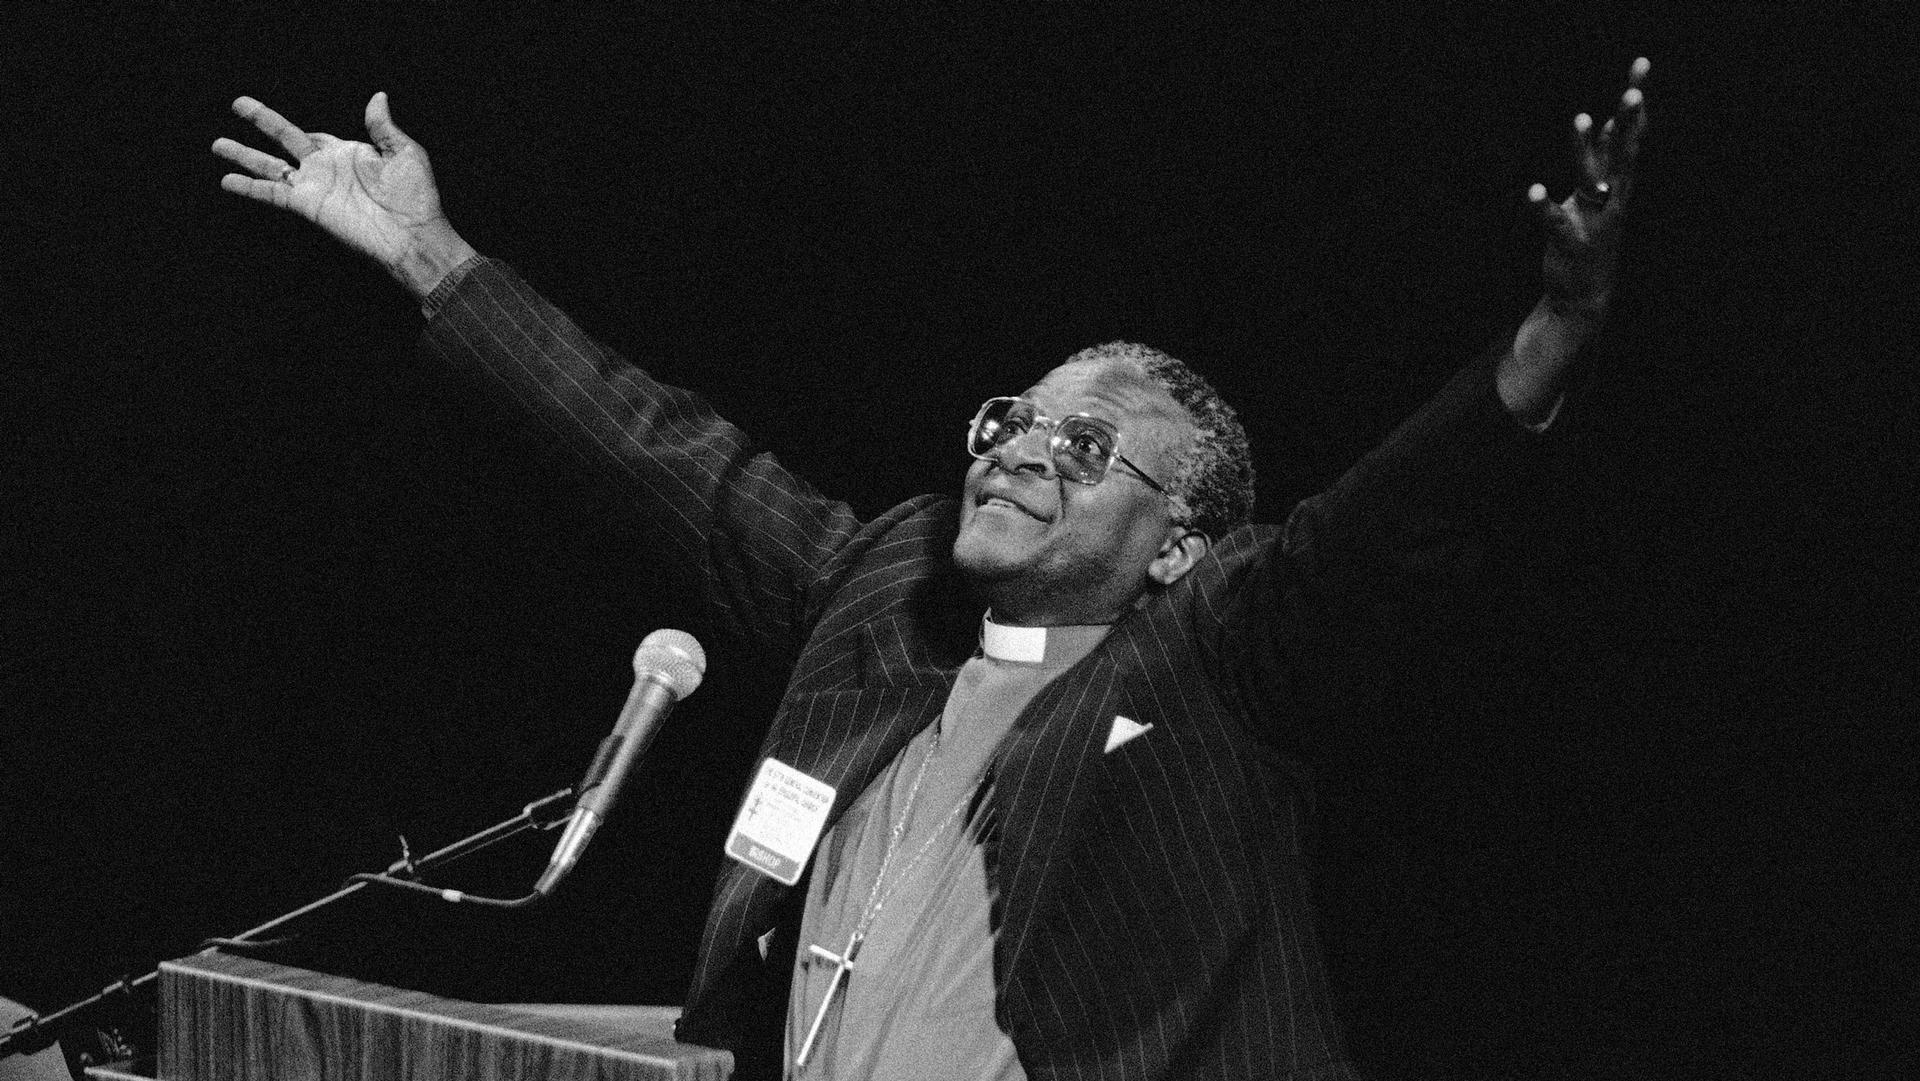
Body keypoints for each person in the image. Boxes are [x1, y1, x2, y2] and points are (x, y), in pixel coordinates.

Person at [212, 57, 1650, 1081]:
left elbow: (1385, 528)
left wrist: (1546, 345)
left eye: (1089, 449)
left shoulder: (1217, 659)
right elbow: (658, 449)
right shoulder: (887, 600)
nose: (1024, 448)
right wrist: (436, 260)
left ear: (1183, 545)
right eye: (1014, 419)